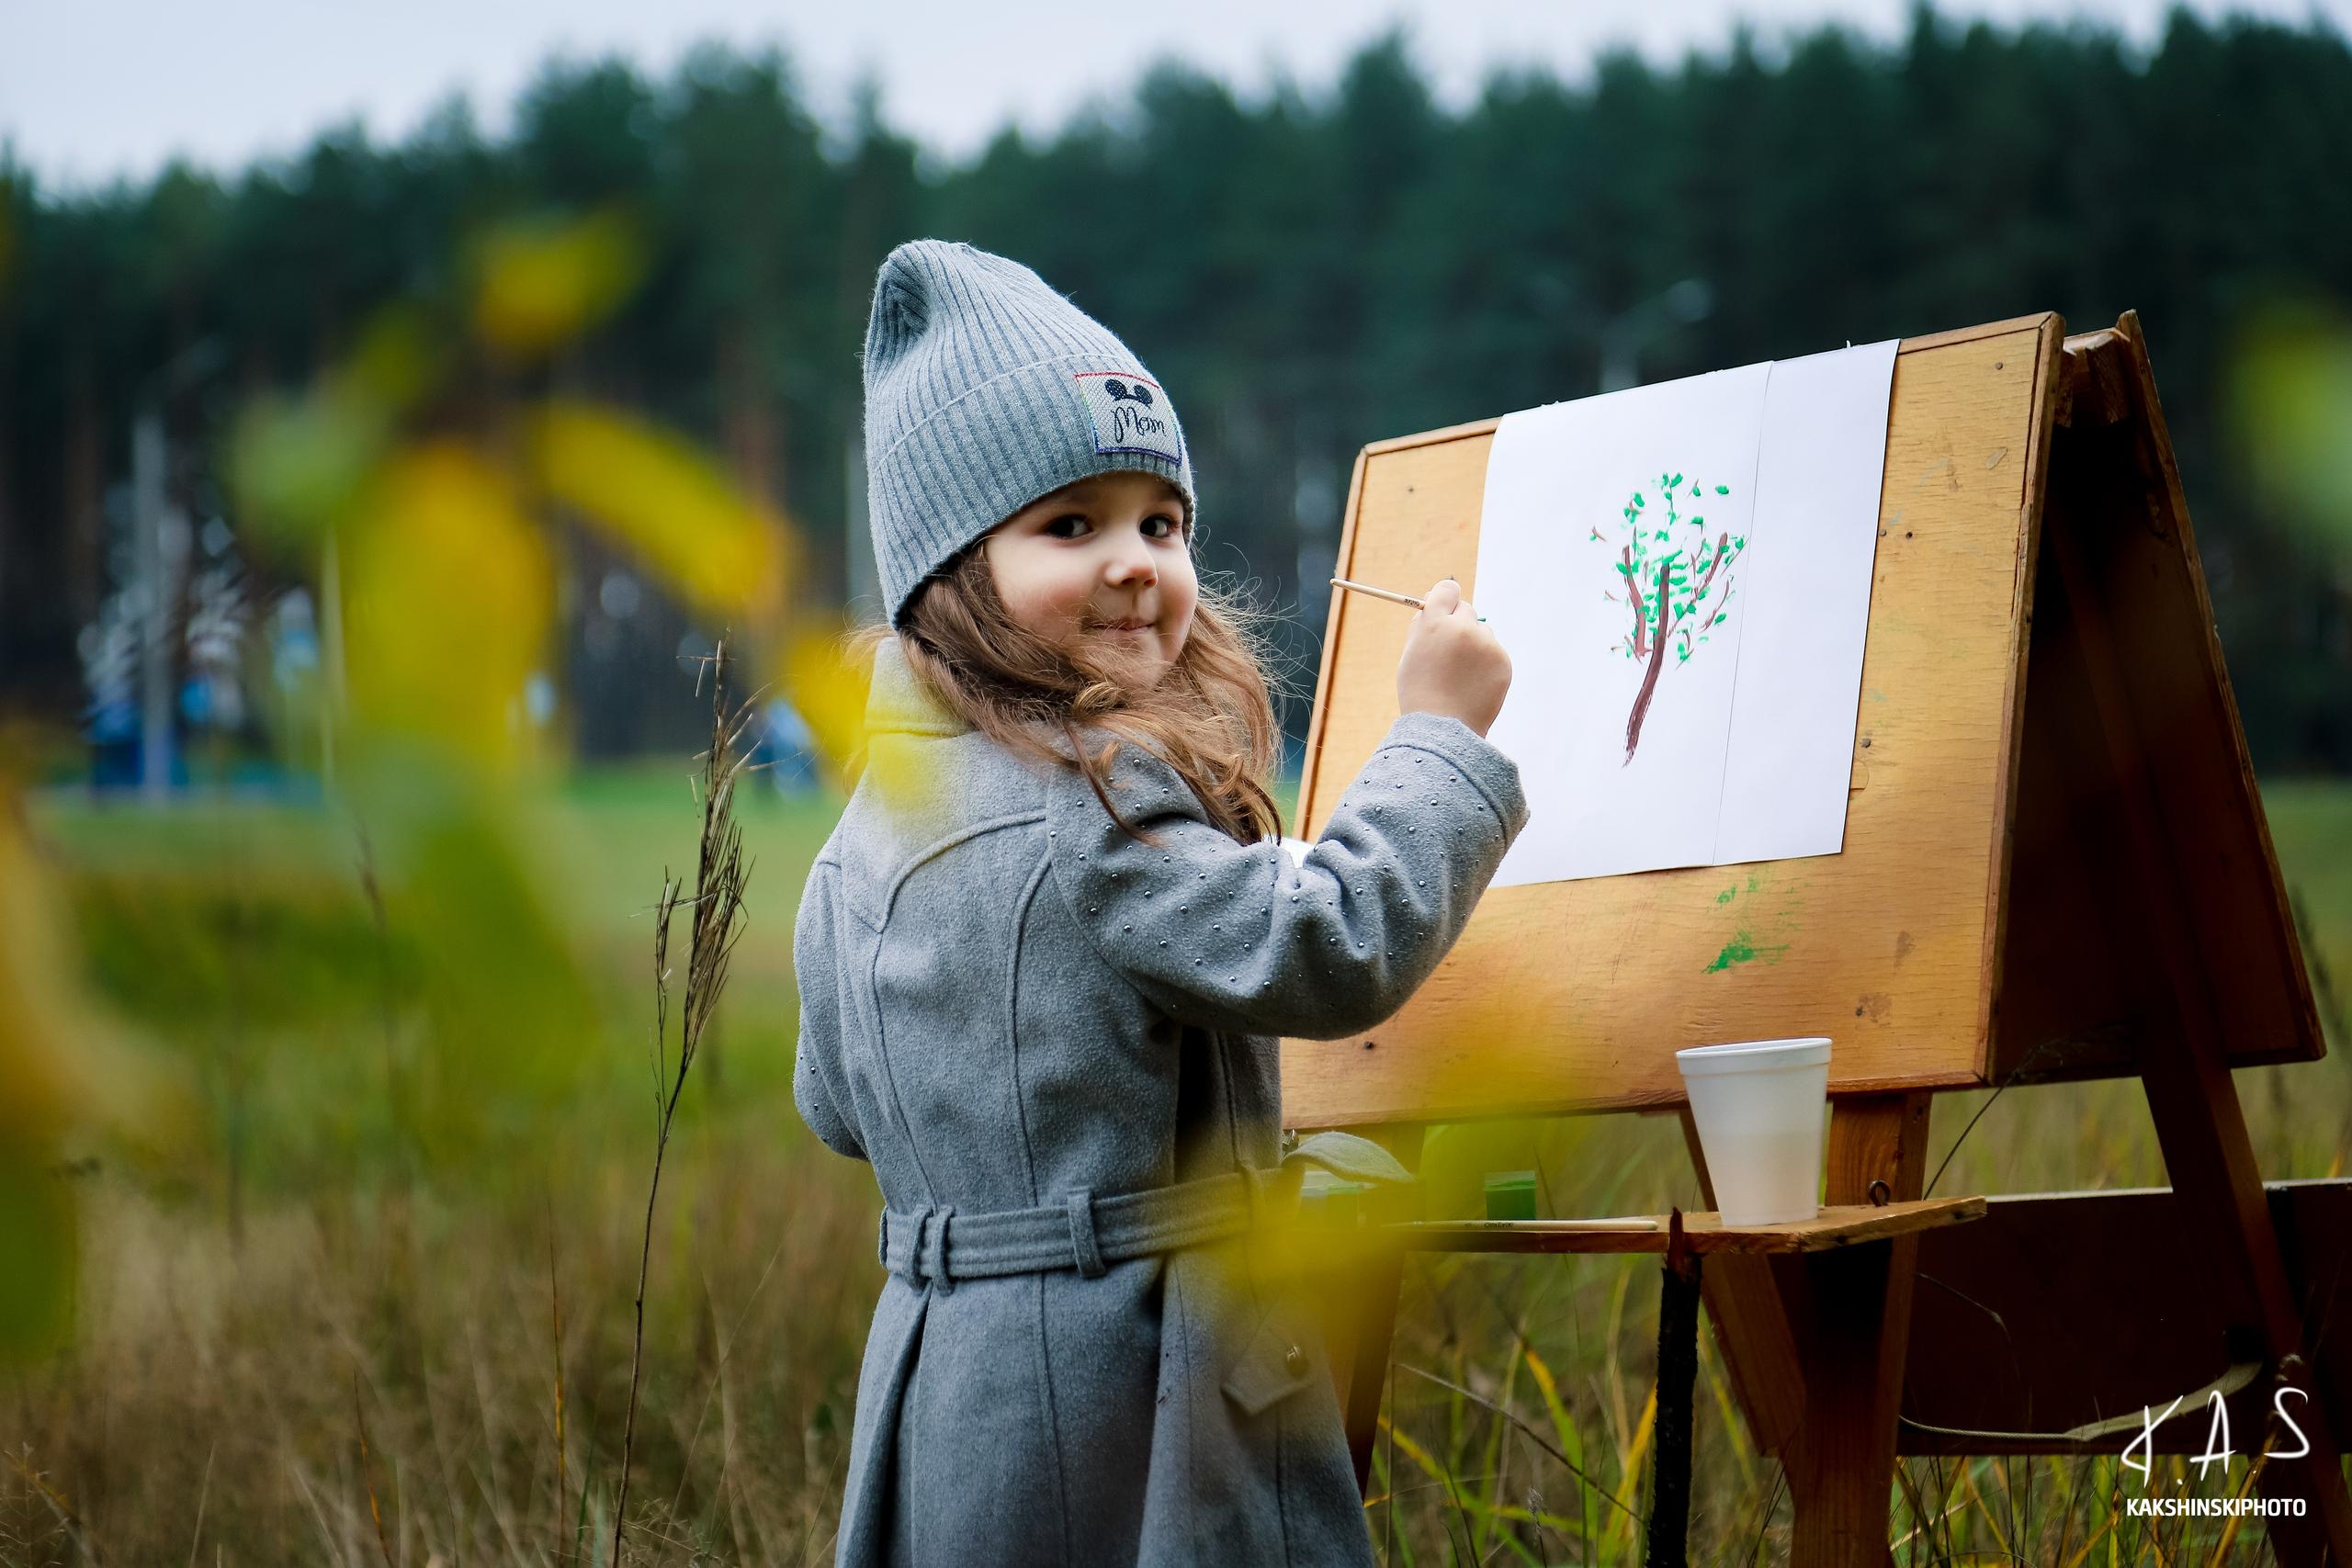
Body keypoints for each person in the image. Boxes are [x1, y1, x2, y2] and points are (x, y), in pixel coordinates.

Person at [793, 239, 1527, 1568]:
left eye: (1162, 522)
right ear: (947, 571)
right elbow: (1330, 947)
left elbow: (833, 1105)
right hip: (1140, 1396)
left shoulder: (859, 835)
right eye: (1071, 525)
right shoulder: (1094, 801)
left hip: (948, 1390)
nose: (1137, 562)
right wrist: (1437, 738)